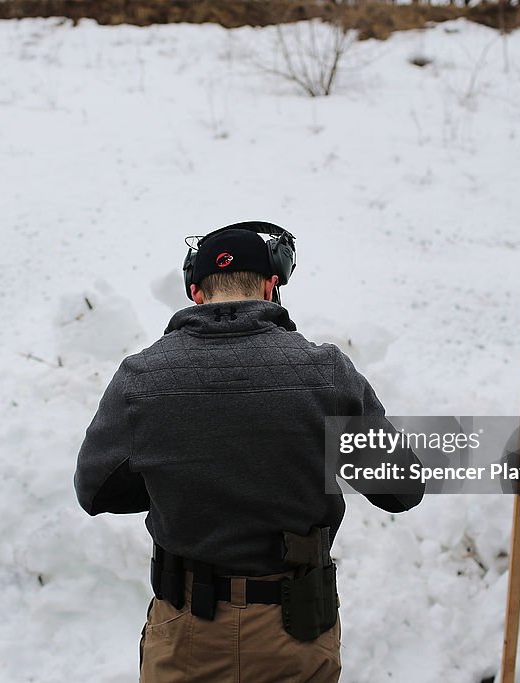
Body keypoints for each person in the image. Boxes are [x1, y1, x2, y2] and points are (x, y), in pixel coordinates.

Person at [74, 222, 425, 682]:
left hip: (185, 632)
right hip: (294, 633)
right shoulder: (326, 372)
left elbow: (95, 492)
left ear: (195, 292)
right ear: (271, 284)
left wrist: (177, 476)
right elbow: (401, 489)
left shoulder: (141, 377)